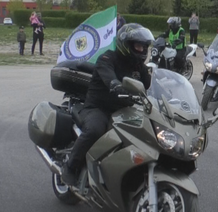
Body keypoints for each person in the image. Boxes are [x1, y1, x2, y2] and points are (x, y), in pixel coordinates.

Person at [61, 23, 154, 186]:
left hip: (124, 111)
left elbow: (149, 87)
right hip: (98, 109)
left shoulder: (140, 68)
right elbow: (109, 77)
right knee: (95, 130)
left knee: (142, 135)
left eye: (144, 46)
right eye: (138, 46)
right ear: (126, 45)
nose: (141, 50)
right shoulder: (107, 58)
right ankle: (70, 166)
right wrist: (116, 85)